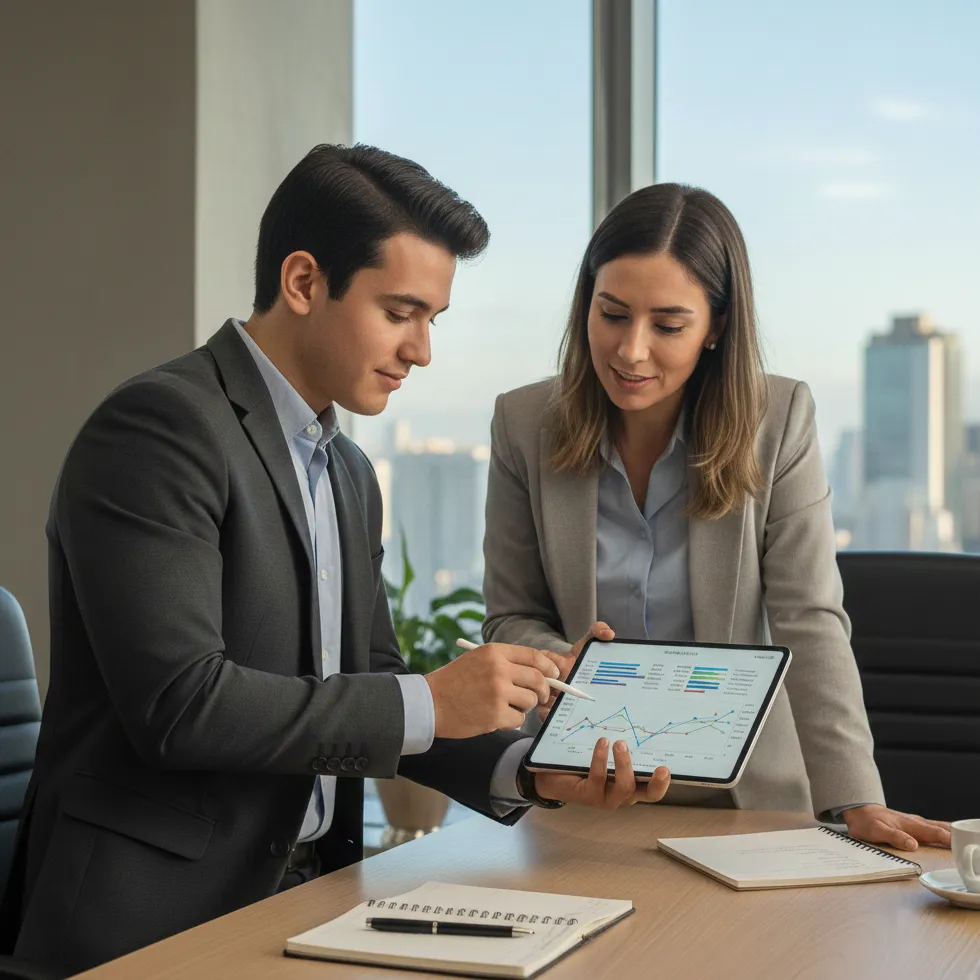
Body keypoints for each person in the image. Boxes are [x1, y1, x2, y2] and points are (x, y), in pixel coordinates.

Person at [0, 145, 670, 978]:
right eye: (401, 312)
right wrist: (431, 698)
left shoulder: (347, 471)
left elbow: (370, 679)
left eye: (435, 319)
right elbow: (181, 706)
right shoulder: (158, 431)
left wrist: (529, 770)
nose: (422, 350)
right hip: (150, 930)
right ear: (305, 282)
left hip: (309, 906)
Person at [482, 182, 951, 851]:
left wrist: (855, 798)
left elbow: (808, 618)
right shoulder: (524, 424)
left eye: (668, 326)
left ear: (717, 326)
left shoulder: (777, 420)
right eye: (611, 314)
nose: (631, 351)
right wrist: (568, 661)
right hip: (583, 790)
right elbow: (509, 616)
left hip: (751, 804)